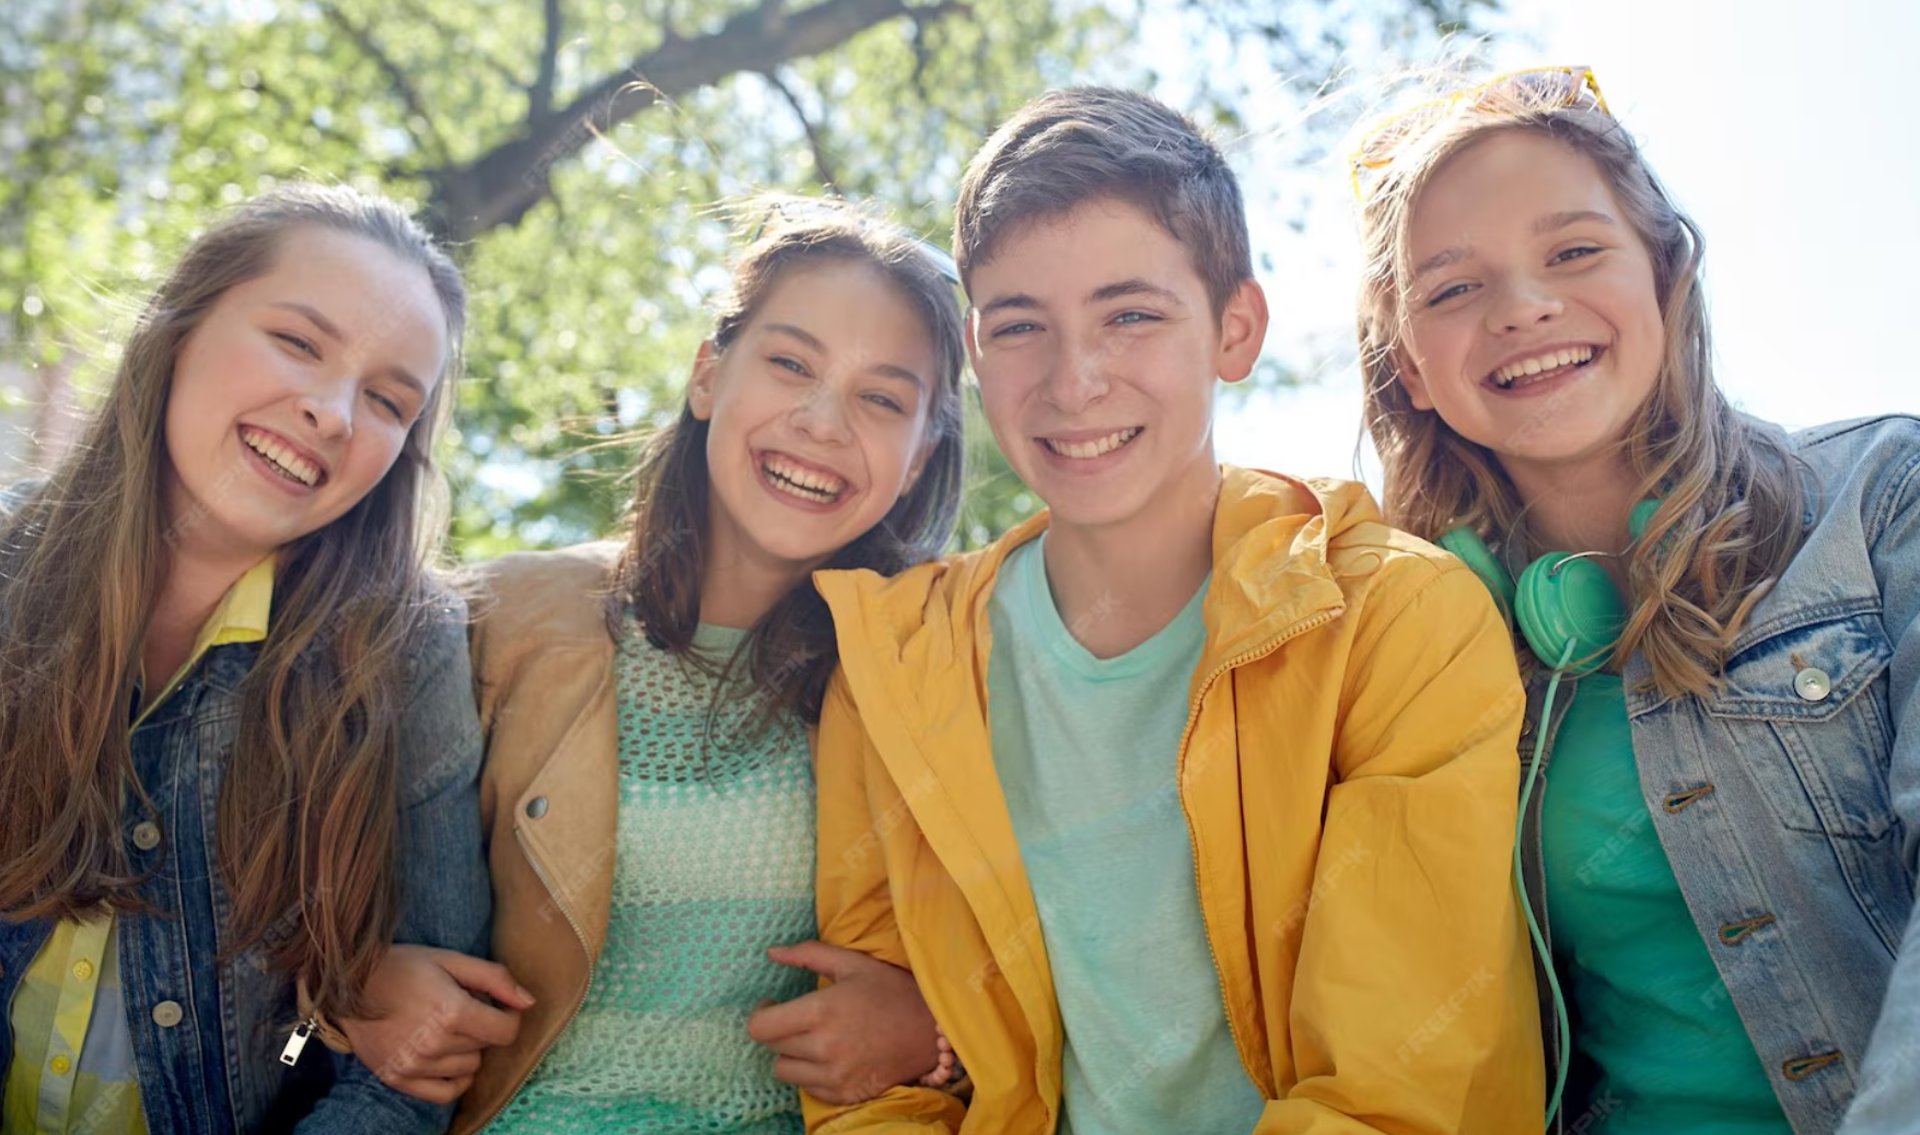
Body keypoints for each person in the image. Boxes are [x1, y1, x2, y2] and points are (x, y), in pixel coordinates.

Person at [805, 86, 1544, 1133]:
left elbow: (1396, 1094)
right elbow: (869, 1087)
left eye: (1131, 315)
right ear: (975, 352)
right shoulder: (897, 663)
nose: (1075, 380)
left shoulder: (1397, 620)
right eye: (1022, 327)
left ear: (1235, 329)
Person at [1351, 64, 1920, 1134]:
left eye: (1573, 252)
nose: (1524, 308)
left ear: (1664, 275)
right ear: (1411, 365)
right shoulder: (1415, 648)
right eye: (1453, 287)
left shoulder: (1886, 498)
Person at [346, 200, 972, 1135]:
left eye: (882, 399)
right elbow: (289, 930)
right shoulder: (492, 623)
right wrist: (354, 990)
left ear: (921, 453)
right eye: (791, 364)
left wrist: (936, 1038)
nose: (822, 421)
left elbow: (1048, 968)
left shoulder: (941, 675)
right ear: (708, 374)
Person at [0, 183, 488, 1134]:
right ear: (180, 324)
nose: (337, 412)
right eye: (300, 342)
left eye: (388, 399)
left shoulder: (404, 654)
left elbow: (400, 1063)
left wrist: (348, 1002)